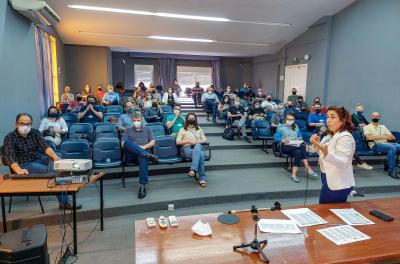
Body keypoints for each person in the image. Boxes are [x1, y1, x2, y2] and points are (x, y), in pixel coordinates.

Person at [2, 113, 80, 210]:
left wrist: (56, 158)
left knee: (58, 156)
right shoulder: (10, 137)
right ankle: (64, 200)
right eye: (22, 123)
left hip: (37, 158)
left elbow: (46, 147)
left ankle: (54, 179)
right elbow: (10, 158)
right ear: (16, 124)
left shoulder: (35, 132)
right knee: (55, 170)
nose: (25, 126)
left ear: (31, 124)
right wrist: (18, 170)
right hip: (23, 165)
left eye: (28, 124)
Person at [310, 106, 356, 204]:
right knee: (334, 212)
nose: (328, 120)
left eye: (333, 117)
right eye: (327, 117)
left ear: (343, 120)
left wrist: (327, 153)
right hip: (329, 177)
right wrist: (317, 144)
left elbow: (343, 163)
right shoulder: (332, 135)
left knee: (325, 211)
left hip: (338, 181)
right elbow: (323, 154)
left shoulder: (345, 137)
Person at [121, 112, 159, 199]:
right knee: (127, 142)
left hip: (142, 154)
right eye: (134, 120)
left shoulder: (147, 129)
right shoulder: (127, 130)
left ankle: (142, 186)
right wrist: (136, 148)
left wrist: (143, 147)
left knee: (142, 156)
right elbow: (123, 144)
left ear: (141, 120)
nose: (136, 122)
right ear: (132, 121)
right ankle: (147, 155)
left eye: (138, 120)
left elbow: (153, 142)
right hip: (131, 155)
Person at [275, 114, 318, 183]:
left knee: (298, 152)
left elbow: (299, 135)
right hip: (285, 146)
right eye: (288, 119)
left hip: (295, 145)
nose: (290, 121)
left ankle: (294, 174)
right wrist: (282, 140)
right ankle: (307, 167)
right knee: (302, 146)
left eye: (292, 119)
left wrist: (300, 137)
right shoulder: (281, 127)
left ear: (294, 120)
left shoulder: (295, 126)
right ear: (285, 119)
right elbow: (276, 138)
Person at [363, 112, 400, 179]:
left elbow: (393, 137)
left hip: (386, 144)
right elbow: (369, 138)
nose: (375, 117)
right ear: (371, 117)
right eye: (374, 116)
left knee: (396, 146)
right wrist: (385, 136)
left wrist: (376, 137)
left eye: (377, 116)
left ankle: (389, 164)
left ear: (379, 117)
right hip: (376, 145)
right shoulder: (367, 127)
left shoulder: (383, 126)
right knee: (391, 148)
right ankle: (392, 171)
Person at [176, 113, 208, 187]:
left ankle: (193, 170)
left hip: (198, 147)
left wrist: (197, 142)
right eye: (189, 118)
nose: (191, 119)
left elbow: (205, 140)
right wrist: (189, 141)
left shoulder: (199, 129)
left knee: (197, 146)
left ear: (195, 119)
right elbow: (177, 142)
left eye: (193, 118)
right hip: (187, 149)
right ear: (187, 120)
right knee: (201, 155)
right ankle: (202, 178)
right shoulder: (182, 129)